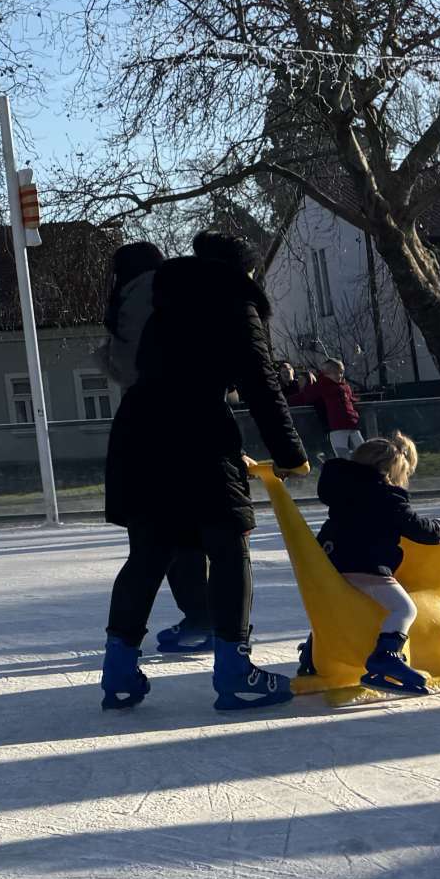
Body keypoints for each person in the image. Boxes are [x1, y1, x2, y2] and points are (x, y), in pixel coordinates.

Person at [100, 231, 311, 713]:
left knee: (148, 553)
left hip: (137, 433)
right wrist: (290, 454)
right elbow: (261, 384)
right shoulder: (234, 299)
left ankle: (118, 673)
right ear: (243, 270)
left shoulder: (165, 300)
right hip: (197, 433)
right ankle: (235, 674)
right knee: (229, 547)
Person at [98, 241, 212, 654]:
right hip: (176, 423)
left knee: (150, 544)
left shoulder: (124, 301)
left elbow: (122, 367)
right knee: (186, 535)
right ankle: (205, 618)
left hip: (138, 428)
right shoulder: (167, 292)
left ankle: (124, 650)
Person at [318, 433, 440, 695]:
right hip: (363, 564)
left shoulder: (342, 488)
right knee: (405, 609)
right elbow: (421, 530)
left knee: (339, 610)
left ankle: (311, 657)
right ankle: (385, 659)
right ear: (392, 470)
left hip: (330, 561)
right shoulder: (386, 497)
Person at [290, 357, 366, 459]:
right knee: (343, 454)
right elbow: (305, 396)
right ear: (326, 374)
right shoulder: (322, 385)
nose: (339, 375)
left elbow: (350, 399)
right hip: (337, 425)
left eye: (341, 372)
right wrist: (286, 401)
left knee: (363, 451)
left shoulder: (344, 386)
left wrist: (357, 403)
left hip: (352, 423)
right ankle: (347, 466)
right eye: (335, 373)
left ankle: (365, 465)